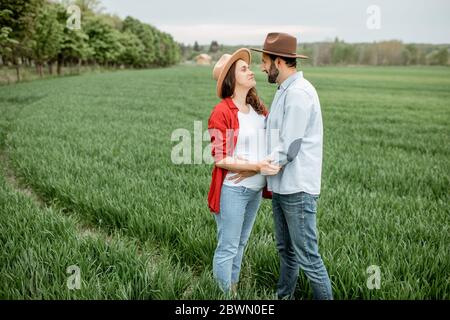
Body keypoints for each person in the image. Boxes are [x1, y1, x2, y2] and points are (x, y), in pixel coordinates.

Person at [248, 32, 333, 300]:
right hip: (282, 187)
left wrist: (255, 167)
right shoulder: (285, 91)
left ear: (279, 62)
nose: (261, 67)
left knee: (308, 256)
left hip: (297, 188)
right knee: (287, 251)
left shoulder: (298, 93)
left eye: (264, 61)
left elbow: (290, 147)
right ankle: (283, 297)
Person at [207, 48, 280, 296]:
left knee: (240, 243)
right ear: (231, 79)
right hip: (234, 190)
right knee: (228, 246)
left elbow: (273, 141)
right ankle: (223, 296)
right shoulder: (222, 112)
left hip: (255, 190)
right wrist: (255, 167)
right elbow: (220, 158)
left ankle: (233, 291)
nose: (251, 70)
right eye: (244, 68)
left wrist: (257, 169)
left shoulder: (259, 109)